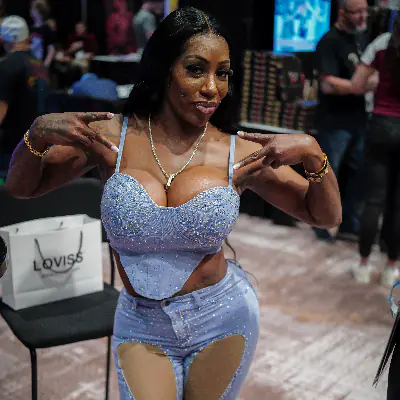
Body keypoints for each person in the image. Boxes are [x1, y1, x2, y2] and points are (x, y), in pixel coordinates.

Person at [5, 8, 342, 399]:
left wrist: (314, 155)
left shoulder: (239, 152)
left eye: (223, 73)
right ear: (164, 68)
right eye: (196, 69)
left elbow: (325, 215)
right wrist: (35, 136)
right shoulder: (110, 137)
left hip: (222, 317)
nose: (212, 88)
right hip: (142, 324)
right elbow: (23, 187)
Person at [322, 14, 400, 287]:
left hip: (380, 125)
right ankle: (391, 268)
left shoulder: (381, 43)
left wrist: (376, 83)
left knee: (374, 200)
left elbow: (356, 85)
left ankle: (364, 266)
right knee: (398, 204)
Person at [313, 0, 371, 242]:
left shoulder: (361, 39)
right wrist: (359, 86)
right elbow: (327, 84)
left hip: (359, 118)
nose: (362, 16)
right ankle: (320, 222)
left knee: (357, 173)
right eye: (357, 12)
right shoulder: (329, 41)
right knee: (328, 174)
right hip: (334, 121)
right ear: (342, 13)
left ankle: (349, 223)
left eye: (365, 11)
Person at [0, 16, 48, 178]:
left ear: (3, 39)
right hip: (40, 147)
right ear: (27, 37)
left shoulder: (7, 66)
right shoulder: (39, 64)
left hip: (13, 151)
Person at [30, 0, 56, 68]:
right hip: (32, 64)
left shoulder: (47, 28)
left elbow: (51, 49)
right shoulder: (31, 28)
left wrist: (45, 65)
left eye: (33, 8)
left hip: (42, 64)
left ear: (39, 11)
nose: (31, 10)